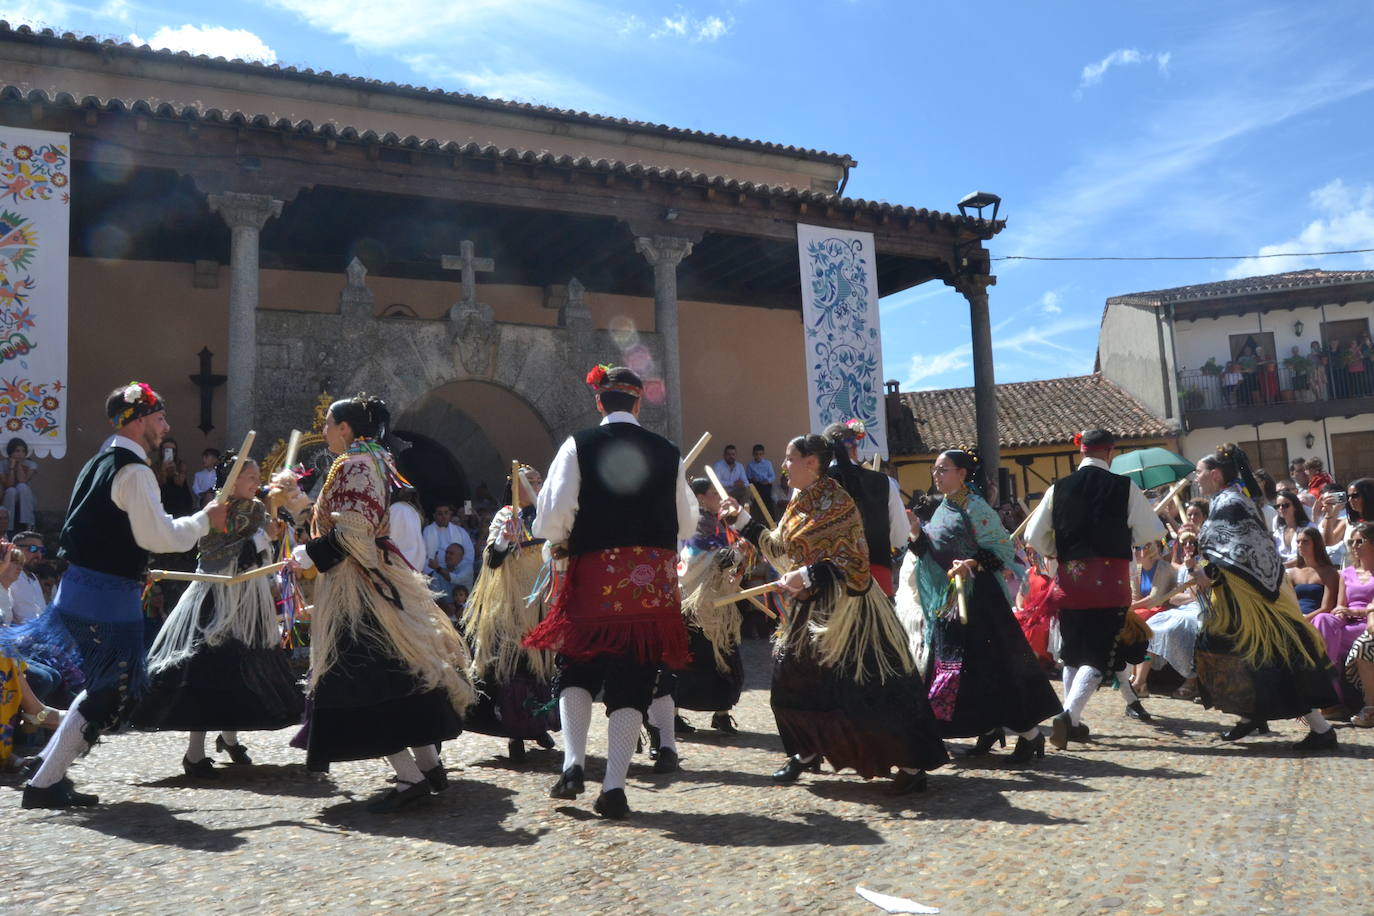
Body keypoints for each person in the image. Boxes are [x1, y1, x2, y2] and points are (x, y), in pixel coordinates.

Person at [1, 382, 228, 808]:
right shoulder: (135, 472)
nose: (165, 426)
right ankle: (44, 784)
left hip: (83, 591)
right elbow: (157, 535)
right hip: (104, 600)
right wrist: (205, 520)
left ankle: (47, 776)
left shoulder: (98, 462)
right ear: (138, 420)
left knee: (106, 688)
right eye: (159, 418)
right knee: (113, 690)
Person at [720, 433, 948, 794]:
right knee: (790, 682)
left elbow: (853, 560)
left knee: (869, 686)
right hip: (808, 611)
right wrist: (742, 522)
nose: (784, 465)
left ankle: (911, 763)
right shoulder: (799, 501)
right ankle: (807, 750)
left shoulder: (837, 501)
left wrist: (806, 574)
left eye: (790, 458)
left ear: (811, 463)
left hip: (849, 613)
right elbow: (781, 549)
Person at [522, 364, 697, 819]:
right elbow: (688, 522)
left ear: (600, 401)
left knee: (577, 667)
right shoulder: (668, 452)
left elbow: (553, 515)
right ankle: (614, 788)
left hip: (595, 578)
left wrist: (560, 536)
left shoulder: (578, 444)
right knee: (634, 678)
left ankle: (573, 765)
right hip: (652, 586)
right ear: (638, 403)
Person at [289, 395, 476, 812]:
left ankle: (410, 778)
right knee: (397, 675)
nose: (326, 431)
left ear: (347, 429)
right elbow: (341, 524)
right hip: (372, 585)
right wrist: (299, 509)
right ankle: (429, 767)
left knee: (361, 683)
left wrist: (310, 555)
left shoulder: (357, 464)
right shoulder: (372, 459)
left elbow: (353, 535)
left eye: (330, 424)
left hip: (359, 591)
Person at [135, 455, 304, 777]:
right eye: (249, 476)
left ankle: (229, 738)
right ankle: (194, 754)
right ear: (231, 481)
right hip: (215, 599)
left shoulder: (255, 508)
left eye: (257, 476)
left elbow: (256, 555)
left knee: (240, 668)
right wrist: (262, 536)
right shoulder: (216, 511)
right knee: (206, 670)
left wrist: (273, 528)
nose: (256, 481)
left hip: (248, 600)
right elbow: (227, 557)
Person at [906, 449, 1060, 764]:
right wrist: (914, 532)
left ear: (962, 473)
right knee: (959, 670)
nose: (936, 475)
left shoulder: (976, 508)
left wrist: (972, 562)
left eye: (943, 469)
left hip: (980, 600)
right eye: (934, 469)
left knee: (994, 669)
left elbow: (1002, 551)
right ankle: (986, 728)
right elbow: (932, 554)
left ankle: (1030, 735)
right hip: (952, 599)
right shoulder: (943, 508)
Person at [1024, 428, 1166, 748]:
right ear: (1110, 453)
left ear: (1081, 452)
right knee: (1100, 655)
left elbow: (1034, 535)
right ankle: (1069, 716)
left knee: (1074, 653)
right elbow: (1147, 534)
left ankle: (1069, 719)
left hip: (1071, 581)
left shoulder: (1058, 488)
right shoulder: (1123, 486)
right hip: (1111, 583)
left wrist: (1057, 550)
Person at [1190, 443, 1338, 749]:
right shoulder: (1227, 500)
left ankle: (1322, 730)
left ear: (1215, 474)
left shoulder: (1230, 502)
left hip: (1251, 600)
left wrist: (1209, 573)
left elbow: (1235, 552)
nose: (1196, 477)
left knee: (1276, 658)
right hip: (1239, 599)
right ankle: (1251, 714)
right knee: (1240, 653)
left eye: (1200, 472)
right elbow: (1226, 548)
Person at [460, 464, 559, 764]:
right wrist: (504, 539)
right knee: (514, 669)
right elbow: (491, 560)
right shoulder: (506, 516)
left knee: (543, 667)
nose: (536, 486)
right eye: (529, 482)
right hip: (514, 607)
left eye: (539, 481)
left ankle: (539, 724)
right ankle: (516, 733)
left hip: (543, 603)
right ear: (515, 487)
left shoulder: (548, 516)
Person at [650, 477, 751, 764]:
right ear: (700, 497)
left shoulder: (720, 524)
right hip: (694, 604)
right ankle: (674, 716)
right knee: (686, 661)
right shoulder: (691, 524)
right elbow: (688, 563)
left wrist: (739, 557)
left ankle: (721, 713)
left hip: (720, 605)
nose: (719, 499)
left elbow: (729, 556)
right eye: (712, 494)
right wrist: (722, 558)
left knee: (725, 657)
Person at [821, 420, 910, 597]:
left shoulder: (812, 486)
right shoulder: (884, 482)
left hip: (830, 583)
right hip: (876, 576)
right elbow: (901, 537)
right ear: (854, 448)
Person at [1311, 522, 1374, 708]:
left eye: (1359, 542)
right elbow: (1340, 605)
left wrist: (1354, 612)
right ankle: (1329, 683)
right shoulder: (1346, 573)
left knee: (1330, 637)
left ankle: (1329, 690)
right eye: (1351, 542)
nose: (1354, 546)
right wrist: (1341, 613)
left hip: (1367, 621)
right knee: (1322, 619)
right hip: (1345, 621)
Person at [422, 503, 474, 586]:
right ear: (434, 515)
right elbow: (422, 555)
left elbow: (469, 554)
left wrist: (457, 568)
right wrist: (432, 571)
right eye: (440, 514)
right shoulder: (427, 531)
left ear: (450, 514)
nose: (444, 516)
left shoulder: (460, 531)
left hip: (457, 571)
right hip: (435, 573)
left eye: (446, 513)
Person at [1, 437, 38, 534]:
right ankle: (7, 527)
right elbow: (9, 484)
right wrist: (12, 467)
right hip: (8, 497)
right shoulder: (2, 464)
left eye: (23, 451)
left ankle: (29, 525)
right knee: (11, 491)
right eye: (17, 451)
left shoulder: (31, 464)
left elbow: (23, 480)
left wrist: (19, 465)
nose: (20, 454)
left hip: (26, 498)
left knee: (22, 487)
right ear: (11, 452)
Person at [387, 486, 426, 573]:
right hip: (413, 569)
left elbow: (389, 539)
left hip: (400, 569)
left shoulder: (397, 509)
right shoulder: (412, 511)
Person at [1272, 492, 1311, 566]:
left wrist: (1282, 567)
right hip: (1284, 572)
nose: (1281, 508)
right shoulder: (1277, 533)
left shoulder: (1309, 528)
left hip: (1304, 571)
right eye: (1277, 506)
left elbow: (1309, 555)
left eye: (1285, 505)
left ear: (1295, 506)